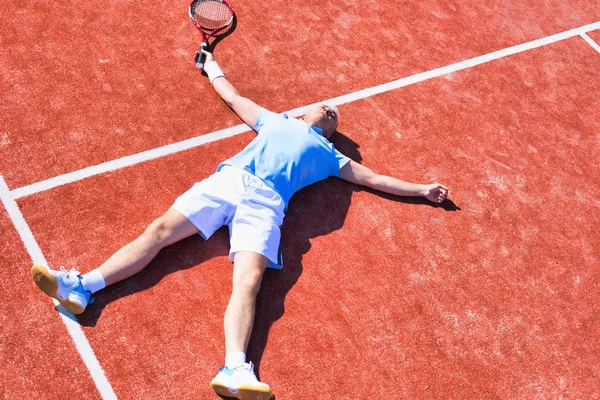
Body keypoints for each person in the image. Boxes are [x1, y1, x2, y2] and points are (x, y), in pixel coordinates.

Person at [31, 47, 450, 400]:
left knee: (249, 283)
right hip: (229, 182)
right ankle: (82, 287)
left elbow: (374, 179)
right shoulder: (275, 119)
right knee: (158, 232)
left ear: (330, 131)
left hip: (267, 205)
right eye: (324, 105)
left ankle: (236, 370)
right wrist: (211, 65)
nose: (329, 108)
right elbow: (233, 97)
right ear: (303, 113)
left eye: (334, 115)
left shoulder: (331, 157)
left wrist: (420, 189)